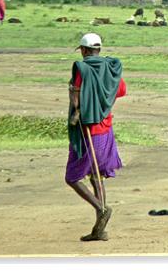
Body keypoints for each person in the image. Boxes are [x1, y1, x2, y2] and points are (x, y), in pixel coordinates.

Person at [66, 33, 126, 241]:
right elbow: (120, 91)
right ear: (99, 50)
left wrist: (76, 95)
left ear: (83, 50)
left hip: (88, 131)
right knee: (96, 176)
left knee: (72, 177)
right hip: (106, 128)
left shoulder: (82, 69)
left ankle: (101, 209)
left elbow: (77, 98)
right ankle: (99, 230)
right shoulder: (110, 68)